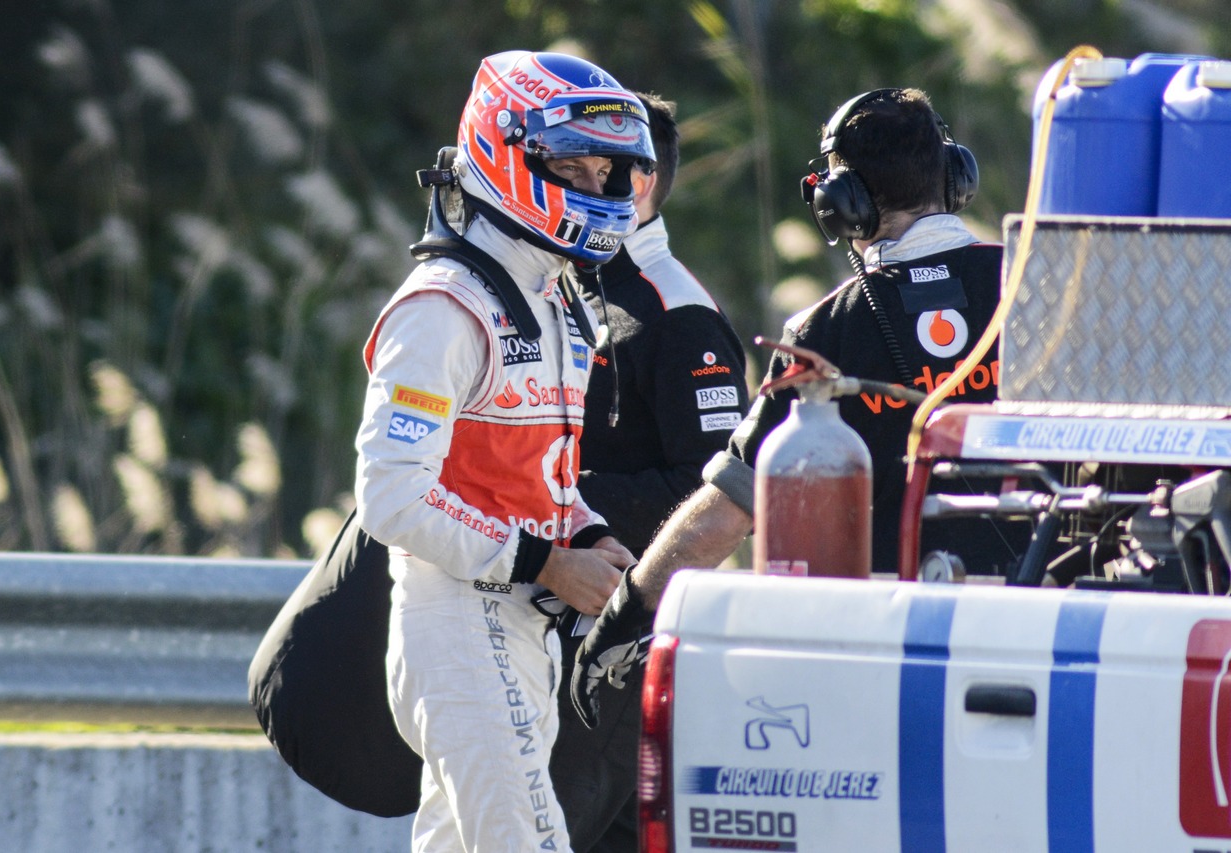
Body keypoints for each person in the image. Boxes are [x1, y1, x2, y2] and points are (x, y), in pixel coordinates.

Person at [571, 86, 1029, 728]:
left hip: (893, 656)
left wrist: (625, 616)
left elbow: (729, 510)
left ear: (840, 203)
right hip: (1052, 638)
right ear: (955, 176)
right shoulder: (1042, 291)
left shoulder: (823, 333)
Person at [354, 50, 655, 852]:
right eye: (574, 166)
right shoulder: (443, 307)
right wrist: (546, 562)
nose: (598, 187)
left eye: (610, 170)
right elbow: (390, 495)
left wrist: (584, 532)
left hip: (515, 621)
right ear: (505, 149)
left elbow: (539, 477)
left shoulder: (554, 298)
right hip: (457, 618)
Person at [549, 92, 750, 852]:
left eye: (586, 165)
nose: (564, 178)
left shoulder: (679, 314)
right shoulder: (578, 281)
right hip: (557, 629)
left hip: (630, 649)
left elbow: (712, 492)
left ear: (633, 183)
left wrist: (555, 502)